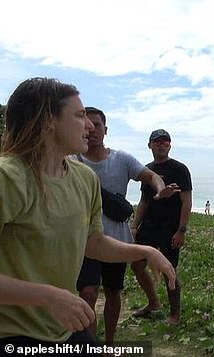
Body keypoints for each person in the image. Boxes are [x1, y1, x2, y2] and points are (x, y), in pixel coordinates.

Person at [0, 78, 175, 353]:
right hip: (11, 334)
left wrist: (145, 251)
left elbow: (93, 242)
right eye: (80, 116)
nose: (90, 126)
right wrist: (47, 297)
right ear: (48, 121)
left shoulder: (84, 179)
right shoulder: (7, 178)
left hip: (62, 329)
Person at [74, 107, 180, 344]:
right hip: (83, 240)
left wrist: (161, 189)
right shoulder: (72, 159)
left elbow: (151, 176)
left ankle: (109, 342)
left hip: (115, 239)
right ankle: (90, 344)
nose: (91, 130)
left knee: (113, 291)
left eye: (97, 125)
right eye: (86, 124)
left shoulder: (121, 159)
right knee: (88, 293)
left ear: (105, 129)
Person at [130, 129, 192, 325]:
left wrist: (181, 230)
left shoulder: (180, 169)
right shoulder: (147, 170)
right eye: (157, 141)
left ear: (170, 145)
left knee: (169, 271)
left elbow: (186, 202)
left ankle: (174, 315)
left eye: (165, 141)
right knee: (137, 265)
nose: (161, 144)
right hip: (149, 226)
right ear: (150, 145)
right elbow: (144, 201)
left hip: (170, 228)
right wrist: (134, 226)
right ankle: (153, 303)